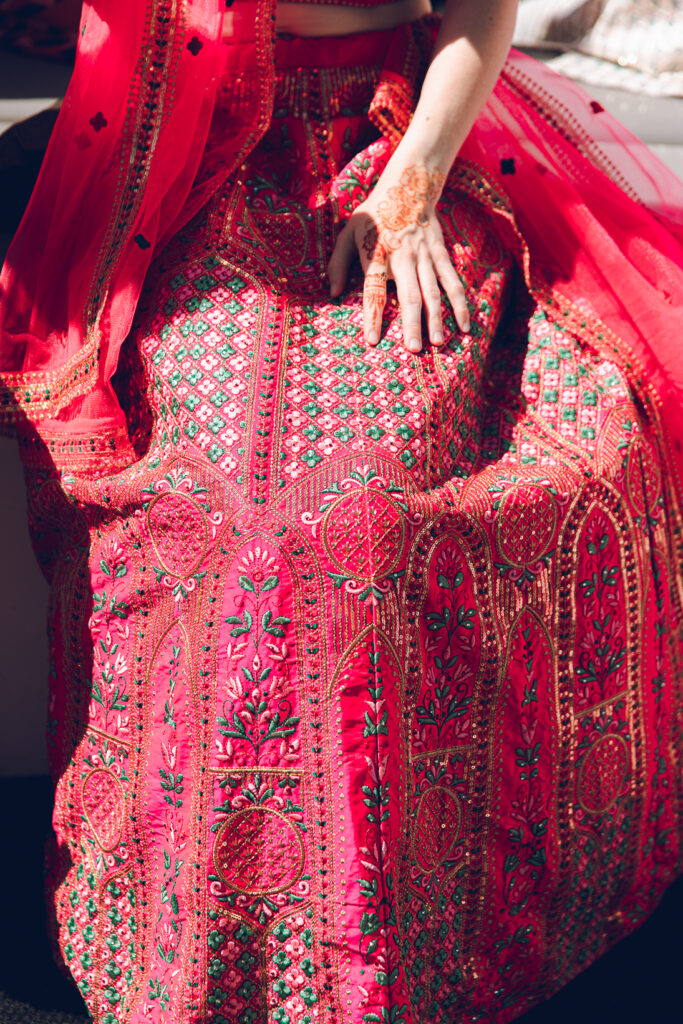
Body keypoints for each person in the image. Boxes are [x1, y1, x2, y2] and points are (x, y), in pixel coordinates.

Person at [1, 1, 683, 1022]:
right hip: (202, 161)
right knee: (221, 516)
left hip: (401, 142)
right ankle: (191, 950)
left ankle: (420, 950)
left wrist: (408, 191)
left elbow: (479, 9)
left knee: (393, 513)